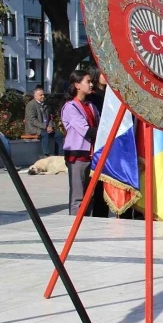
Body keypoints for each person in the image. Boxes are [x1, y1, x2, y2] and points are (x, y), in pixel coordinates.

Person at [61, 70, 100, 216]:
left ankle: (87, 226)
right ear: (77, 85)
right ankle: (74, 227)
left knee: (90, 196)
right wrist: (105, 132)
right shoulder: (71, 107)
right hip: (78, 155)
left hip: (93, 155)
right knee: (78, 197)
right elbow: (85, 130)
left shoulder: (91, 106)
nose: (91, 84)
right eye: (87, 81)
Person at [87, 68, 111, 218]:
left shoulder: (111, 93)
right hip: (99, 141)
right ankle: (98, 214)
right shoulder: (94, 96)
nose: (105, 76)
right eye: (103, 73)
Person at [25, 85, 63, 157]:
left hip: (45, 127)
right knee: (45, 134)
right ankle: (46, 155)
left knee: (58, 135)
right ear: (35, 96)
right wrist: (45, 127)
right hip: (33, 128)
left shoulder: (45, 104)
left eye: (43, 95)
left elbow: (49, 117)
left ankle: (60, 154)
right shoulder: (31, 105)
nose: (43, 96)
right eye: (41, 95)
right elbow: (33, 120)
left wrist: (50, 126)